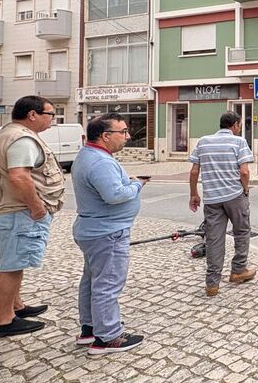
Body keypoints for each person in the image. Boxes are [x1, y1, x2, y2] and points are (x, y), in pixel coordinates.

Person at [0, 96, 65, 339]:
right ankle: (4, 320)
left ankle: (16, 306)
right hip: (18, 212)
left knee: (12, 261)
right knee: (12, 266)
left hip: (3, 209)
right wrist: (37, 207)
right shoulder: (22, 138)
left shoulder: (5, 133)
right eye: (50, 114)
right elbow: (19, 177)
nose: (53, 119)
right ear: (32, 115)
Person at [71, 113, 146, 354]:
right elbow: (114, 195)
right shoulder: (100, 162)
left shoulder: (89, 155)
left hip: (95, 230)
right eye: (122, 132)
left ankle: (90, 328)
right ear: (105, 136)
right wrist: (136, 185)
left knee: (92, 281)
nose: (127, 136)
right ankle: (109, 337)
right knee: (108, 283)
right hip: (107, 233)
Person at [189, 111, 256, 297]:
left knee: (214, 239)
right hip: (235, 196)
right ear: (235, 125)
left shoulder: (203, 142)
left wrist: (194, 194)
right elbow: (244, 172)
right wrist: (245, 189)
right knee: (241, 232)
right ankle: (238, 271)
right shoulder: (239, 142)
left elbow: (194, 172)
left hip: (212, 199)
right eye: (239, 125)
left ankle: (212, 284)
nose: (240, 128)